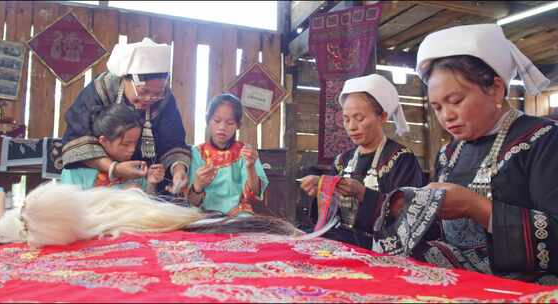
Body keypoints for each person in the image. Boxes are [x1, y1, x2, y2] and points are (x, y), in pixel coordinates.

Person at [372, 24, 556, 284]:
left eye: (456, 101)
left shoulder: (543, 140)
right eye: (437, 106)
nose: (446, 115)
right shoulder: (450, 153)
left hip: (524, 286)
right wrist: (411, 210)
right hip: (458, 278)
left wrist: (477, 207)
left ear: (496, 89)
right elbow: (443, 233)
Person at [299, 74, 425, 249]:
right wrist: (321, 191)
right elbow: (330, 215)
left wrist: (364, 194)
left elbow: (411, 216)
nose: (351, 127)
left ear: (382, 117)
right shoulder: (342, 161)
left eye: (359, 118)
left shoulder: (401, 159)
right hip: (341, 241)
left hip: (381, 247)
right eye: (346, 119)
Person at [62, 38, 190, 194]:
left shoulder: (165, 100)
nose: (149, 99)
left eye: (156, 94)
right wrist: (113, 168)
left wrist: (178, 170)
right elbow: (77, 139)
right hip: (94, 175)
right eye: (143, 92)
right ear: (126, 79)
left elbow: (173, 141)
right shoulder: (101, 91)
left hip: (142, 179)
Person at [187, 94, 269, 216]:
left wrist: (250, 167)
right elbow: (192, 202)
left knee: (244, 219)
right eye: (216, 121)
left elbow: (255, 194)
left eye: (230, 123)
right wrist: (198, 185)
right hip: (204, 215)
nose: (222, 127)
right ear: (208, 120)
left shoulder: (245, 152)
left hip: (238, 214)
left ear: (238, 125)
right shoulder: (197, 153)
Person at [61, 104, 165, 194]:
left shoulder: (134, 170)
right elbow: (71, 208)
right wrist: (122, 196)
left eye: (136, 143)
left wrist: (151, 184)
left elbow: (145, 208)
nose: (132, 149)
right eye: (125, 144)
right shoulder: (75, 171)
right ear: (104, 141)